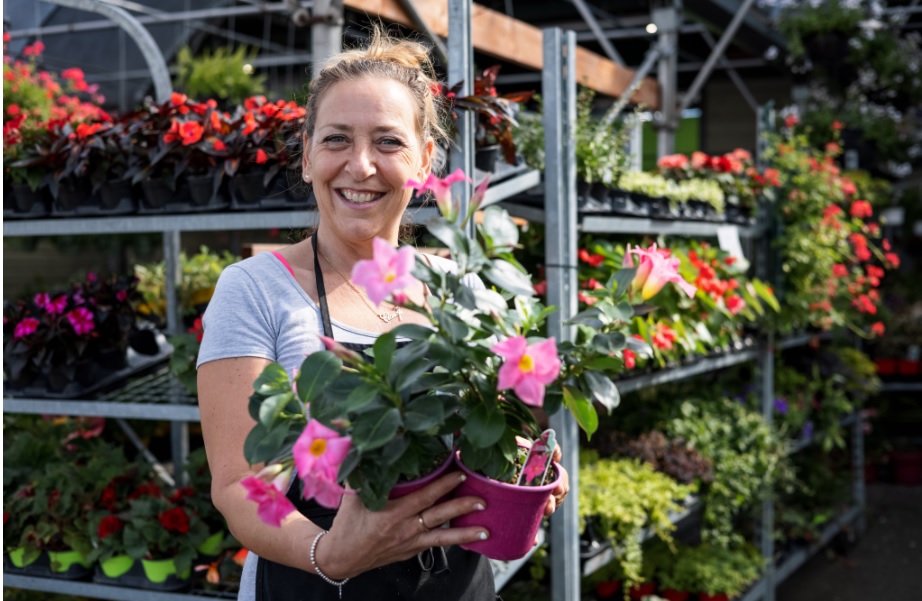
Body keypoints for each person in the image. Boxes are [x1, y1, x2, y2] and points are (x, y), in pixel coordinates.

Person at [197, 28, 569, 601]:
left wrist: (522, 468)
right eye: (337, 140)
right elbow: (241, 486)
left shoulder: (460, 289)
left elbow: (480, 436)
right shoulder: (254, 291)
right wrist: (330, 554)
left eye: (389, 143)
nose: (360, 166)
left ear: (424, 161)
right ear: (307, 155)